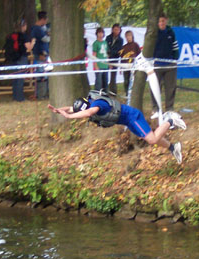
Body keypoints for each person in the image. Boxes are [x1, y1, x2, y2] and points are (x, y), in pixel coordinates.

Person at [48, 91, 186, 164]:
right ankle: (173, 148)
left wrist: (69, 117)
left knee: (152, 139)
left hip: (133, 117)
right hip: (128, 122)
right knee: (149, 137)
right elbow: (73, 109)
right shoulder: (88, 103)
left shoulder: (98, 105)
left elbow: (89, 112)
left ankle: (170, 120)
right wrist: (59, 110)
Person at [151, 14, 179, 119]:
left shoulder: (170, 32)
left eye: (163, 21)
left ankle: (169, 109)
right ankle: (155, 109)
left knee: (170, 88)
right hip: (157, 64)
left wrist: (175, 59)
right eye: (159, 21)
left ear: (166, 21)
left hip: (170, 64)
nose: (161, 23)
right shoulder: (154, 33)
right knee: (155, 87)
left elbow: (175, 47)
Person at [4, 20, 33, 102]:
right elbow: (29, 48)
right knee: (20, 78)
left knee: (15, 77)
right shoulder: (24, 36)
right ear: (23, 26)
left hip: (13, 58)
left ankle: (15, 96)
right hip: (22, 58)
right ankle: (20, 98)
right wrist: (33, 42)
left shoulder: (12, 35)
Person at [31, 10, 50, 99]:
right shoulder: (37, 29)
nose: (46, 22)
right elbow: (45, 39)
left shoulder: (40, 28)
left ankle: (43, 94)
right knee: (42, 75)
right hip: (40, 55)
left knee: (44, 74)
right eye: (45, 20)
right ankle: (41, 95)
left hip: (43, 54)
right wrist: (52, 36)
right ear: (42, 19)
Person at [119, 30, 141, 96]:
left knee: (134, 80)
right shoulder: (124, 47)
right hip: (126, 66)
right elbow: (122, 58)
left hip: (134, 65)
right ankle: (127, 93)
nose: (128, 38)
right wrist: (121, 67)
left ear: (132, 36)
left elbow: (139, 55)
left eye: (129, 36)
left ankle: (134, 93)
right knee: (126, 80)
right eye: (127, 36)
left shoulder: (136, 45)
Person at [106, 23, 123, 94]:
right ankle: (105, 89)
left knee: (113, 75)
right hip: (107, 57)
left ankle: (113, 91)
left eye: (118, 30)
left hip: (115, 58)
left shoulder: (120, 40)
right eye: (115, 29)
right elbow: (106, 47)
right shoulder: (108, 38)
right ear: (112, 30)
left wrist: (111, 52)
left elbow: (118, 50)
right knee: (105, 74)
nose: (116, 31)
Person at [92, 27, 109, 91]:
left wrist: (109, 63)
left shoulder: (105, 42)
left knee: (105, 82)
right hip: (99, 65)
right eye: (99, 33)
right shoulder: (95, 43)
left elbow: (106, 53)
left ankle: (105, 95)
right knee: (99, 82)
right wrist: (95, 65)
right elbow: (94, 55)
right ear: (97, 34)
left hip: (105, 65)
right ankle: (97, 95)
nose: (101, 34)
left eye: (102, 33)